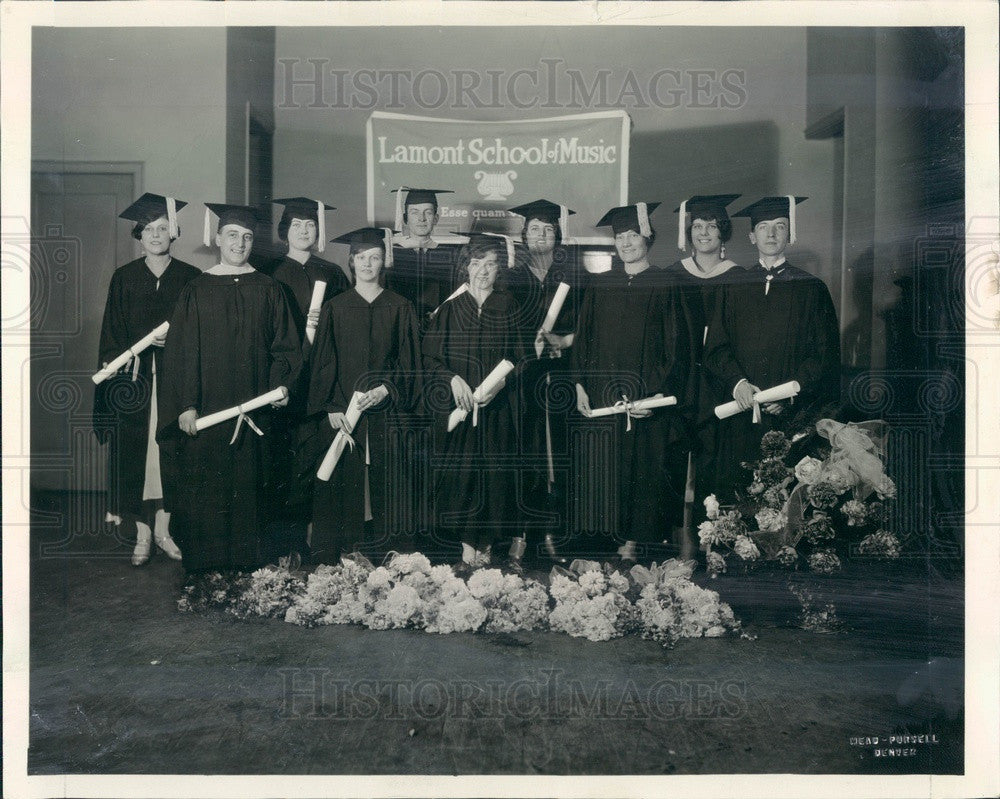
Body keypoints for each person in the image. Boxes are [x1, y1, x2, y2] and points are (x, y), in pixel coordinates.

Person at [157, 203, 301, 574]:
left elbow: (286, 347)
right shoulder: (197, 289)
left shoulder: (270, 289)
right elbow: (183, 353)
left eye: (248, 237)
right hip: (208, 410)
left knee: (254, 486)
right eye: (233, 235)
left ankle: (252, 566)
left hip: (257, 408)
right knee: (208, 486)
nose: (240, 243)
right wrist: (186, 405)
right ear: (217, 238)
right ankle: (208, 567)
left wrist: (279, 388)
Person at [571, 202, 698, 565]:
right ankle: (606, 542)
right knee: (606, 469)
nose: (626, 242)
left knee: (642, 470)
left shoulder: (666, 283)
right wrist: (580, 384)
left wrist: (654, 394)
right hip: (602, 397)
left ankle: (633, 544)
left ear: (648, 238)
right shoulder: (600, 284)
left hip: (645, 401)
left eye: (633, 235)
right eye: (620, 236)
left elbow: (677, 347)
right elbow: (584, 339)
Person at [704, 196, 841, 505]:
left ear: (789, 235)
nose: (771, 234)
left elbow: (824, 355)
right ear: (752, 236)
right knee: (736, 500)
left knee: (785, 502)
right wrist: (737, 383)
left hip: (789, 415)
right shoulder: (732, 285)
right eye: (763, 227)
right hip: (739, 412)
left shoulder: (811, 288)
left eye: (780, 226)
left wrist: (789, 392)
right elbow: (716, 347)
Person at [93, 193, 201, 567]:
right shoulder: (124, 278)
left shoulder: (191, 277)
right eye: (148, 230)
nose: (156, 235)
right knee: (136, 457)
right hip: (135, 381)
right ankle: (142, 533)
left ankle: (163, 530)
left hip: (176, 379)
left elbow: (199, 333)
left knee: (172, 453)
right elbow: (111, 334)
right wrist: (133, 354)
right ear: (139, 236)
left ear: (174, 232)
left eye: (163, 228)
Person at [307, 227, 422, 565]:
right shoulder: (335, 307)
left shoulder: (400, 307)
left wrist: (388, 388)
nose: (369, 264)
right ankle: (348, 554)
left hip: (389, 413)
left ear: (384, 261)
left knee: (390, 480)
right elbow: (323, 364)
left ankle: (394, 556)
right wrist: (330, 407)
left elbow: (411, 362)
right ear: (352, 262)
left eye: (375, 257)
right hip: (346, 411)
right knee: (346, 480)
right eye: (362, 258)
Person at [422, 235, 524, 574]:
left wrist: (501, 384)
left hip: (498, 410)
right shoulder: (451, 308)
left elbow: (520, 357)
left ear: (499, 270)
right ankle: (467, 552)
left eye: (491, 265)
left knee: (495, 476)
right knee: (462, 476)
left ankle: (489, 550)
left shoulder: (508, 305)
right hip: (461, 411)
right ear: (466, 266)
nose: (483, 271)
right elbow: (431, 357)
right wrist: (452, 379)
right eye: (477, 263)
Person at [268, 197, 350, 567]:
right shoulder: (267, 271)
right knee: (287, 466)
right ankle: (290, 544)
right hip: (284, 381)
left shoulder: (332, 273)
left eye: (310, 225)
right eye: (297, 224)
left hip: (323, 379)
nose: (304, 230)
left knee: (323, 459)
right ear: (284, 230)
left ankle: (326, 543)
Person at [504, 198, 587, 569]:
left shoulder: (573, 277)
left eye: (548, 229)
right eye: (534, 229)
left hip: (560, 378)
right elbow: (500, 328)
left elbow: (592, 324)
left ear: (558, 236)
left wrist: (564, 341)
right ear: (524, 236)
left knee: (561, 457)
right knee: (525, 456)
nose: (541, 235)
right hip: (521, 380)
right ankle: (520, 535)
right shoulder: (510, 276)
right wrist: (528, 348)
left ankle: (554, 534)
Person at [664, 194, 743, 552]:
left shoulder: (741, 278)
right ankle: (675, 548)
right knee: (673, 462)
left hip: (719, 386)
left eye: (712, 226)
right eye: (697, 226)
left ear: (723, 231)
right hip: (680, 384)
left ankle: (710, 546)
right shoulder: (671, 276)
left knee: (713, 466)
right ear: (688, 232)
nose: (704, 233)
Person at [387, 187, 462, 332]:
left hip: (440, 330)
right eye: (414, 212)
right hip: (399, 328)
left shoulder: (450, 254)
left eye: (428, 212)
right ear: (405, 218)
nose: (422, 218)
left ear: (436, 218)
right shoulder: (393, 254)